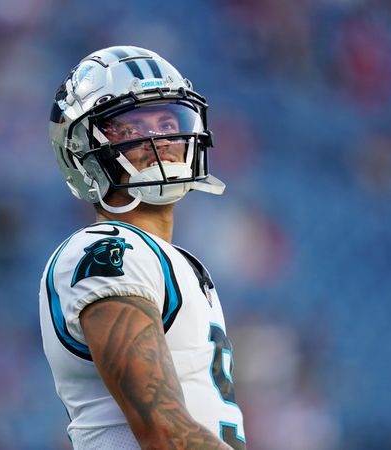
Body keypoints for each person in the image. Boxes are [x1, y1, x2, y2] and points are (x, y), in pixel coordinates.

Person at [39, 45, 246, 449]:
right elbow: (164, 433)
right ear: (82, 151)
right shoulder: (106, 250)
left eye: (168, 120)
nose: (161, 139)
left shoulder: (175, 260)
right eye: (131, 128)